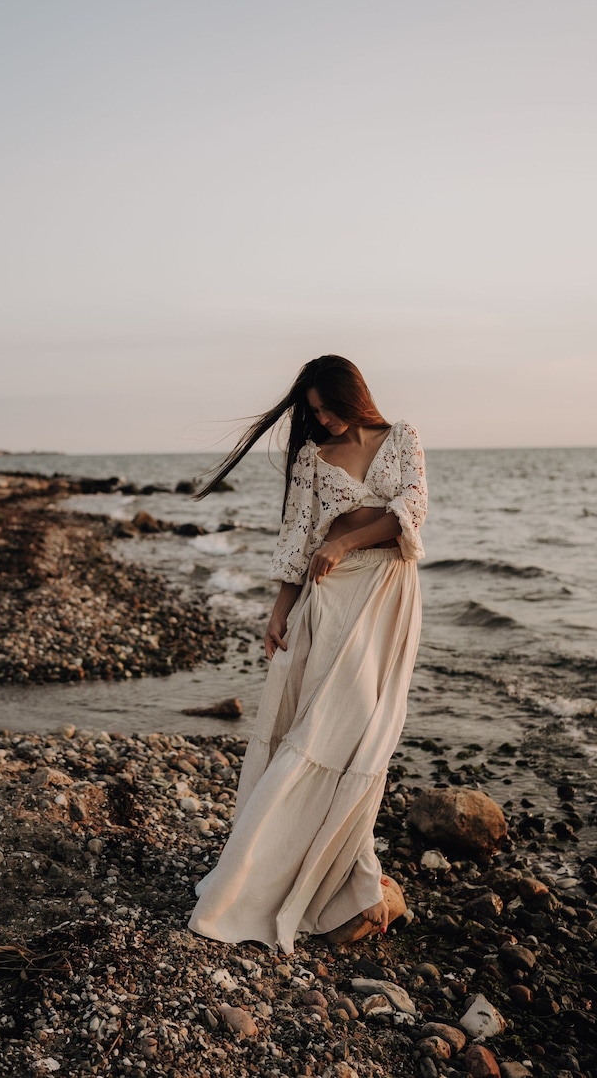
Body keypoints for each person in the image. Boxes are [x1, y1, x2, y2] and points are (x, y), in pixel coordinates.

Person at [187, 355, 427, 954]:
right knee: (319, 729)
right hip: (330, 600)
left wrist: (346, 538)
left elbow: (411, 515)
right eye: (313, 411)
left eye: (327, 406)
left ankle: (346, 875)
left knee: (363, 737)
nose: (321, 419)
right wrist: (278, 611)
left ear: (355, 395)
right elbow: (297, 542)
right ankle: (265, 877)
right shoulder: (311, 461)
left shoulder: (403, 439)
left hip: (388, 595)